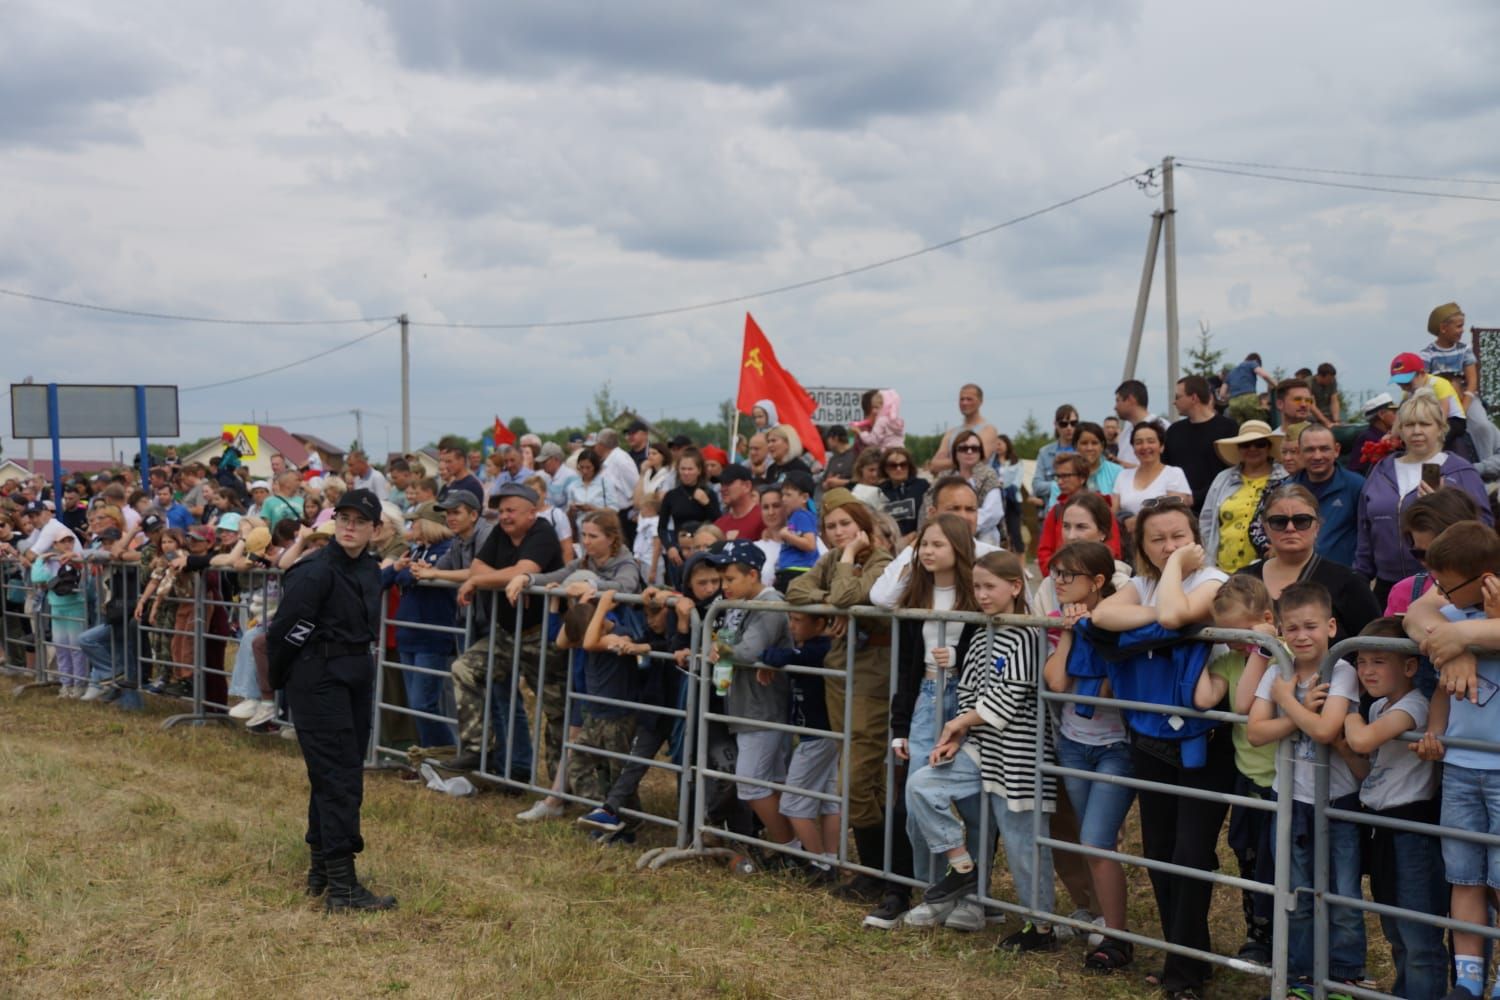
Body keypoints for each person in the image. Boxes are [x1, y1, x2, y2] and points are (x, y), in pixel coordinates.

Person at [1090, 497, 1229, 999]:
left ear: (1194, 535)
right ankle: (1187, 953)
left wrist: (1172, 570)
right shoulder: (1145, 583)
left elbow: (1175, 616)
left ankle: (1185, 974)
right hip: (1150, 734)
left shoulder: (1213, 578)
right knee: (1159, 852)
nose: (1169, 545)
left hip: (1203, 740)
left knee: (1191, 852)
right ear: (1140, 545)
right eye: (1157, 539)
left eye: (1177, 535)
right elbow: (1104, 614)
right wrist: (1158, 600)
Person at [904, 551, 1057, 950]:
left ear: (1015, 587)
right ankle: (962, 865)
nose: (983, 595)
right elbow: (970, 690)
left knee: (1024, 842)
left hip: (1020, 756)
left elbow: (1008, 697)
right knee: (922, 784)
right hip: (981, 747)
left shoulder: (1027, 632)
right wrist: (957, 735)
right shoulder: (982, 630)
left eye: (991, 586)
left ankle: (1040, 927)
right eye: (977, 587)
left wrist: (957, 724)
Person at [265, 488, 394, 912]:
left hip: (354, 677)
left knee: (337, 775)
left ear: (376, 529)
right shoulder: (314, 571)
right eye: (344, 519)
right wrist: (285, 680)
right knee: (339, 780)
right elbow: (283, 632)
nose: (350, 527)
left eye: (360, 521)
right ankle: (343, 886)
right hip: (319, 678)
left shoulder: (370, 569)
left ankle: (321, 869)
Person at [1245, 582, 1366, 993]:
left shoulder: (1341, 671)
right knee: (1295, 893)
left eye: (1311, 626)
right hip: (1290, 800)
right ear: (1280, 630)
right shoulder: (1278, 671)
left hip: (1337, 800)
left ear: (1331, 627)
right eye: (1291, 628)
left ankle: (1344, 973)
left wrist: (1288, 701)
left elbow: (1326, 728)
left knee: (1344, 893)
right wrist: (1297, 707)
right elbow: (1256, 732)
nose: (1301, 636)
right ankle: (1300, 976)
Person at [785, 491, 899, 914]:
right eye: (831, 527)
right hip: (840, 672)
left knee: (856, 778)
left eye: (845, 525)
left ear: (862, 524)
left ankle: (880, 871)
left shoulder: (882, 561)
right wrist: (832, 597)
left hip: (870, 675)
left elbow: (853, 598)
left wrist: (850, 556)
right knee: (859, 774)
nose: (838, 533)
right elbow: (795, 589)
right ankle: (880, 872)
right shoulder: (829, 560)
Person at [1407, 522, 1500, 1000]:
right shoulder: (1451, 613)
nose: (1438, 589)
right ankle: (1467, 977)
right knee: (1464, 875)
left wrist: (1470, 634)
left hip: (1499, 769)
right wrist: (1455, 636)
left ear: (1484, 577)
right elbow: (1413, 616)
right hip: (1463, 768)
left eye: (1446, 581)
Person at [1042, 540, 1135, 971]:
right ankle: (1103, 917)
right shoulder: (1069, 622)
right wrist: (1068, 632)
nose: (1059, 582)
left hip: (1116, 748)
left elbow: (1109, 688)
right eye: (1056, 573)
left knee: (1098, 840)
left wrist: (1094, 630)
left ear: (1097, 582)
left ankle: (1117, 938)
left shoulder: (1119, 619)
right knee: (1094, 839)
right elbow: (1058, 682)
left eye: (1068, 575)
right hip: (1074, 746)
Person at [1342, 617, 1446, 1000]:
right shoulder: (1381, 707)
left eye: (1378, 661)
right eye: (1361, 661)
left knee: (1419, 932)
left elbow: (1364, 739)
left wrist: (1348, 714)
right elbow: (1369, 767)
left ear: (1409, 666)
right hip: (1380, 824)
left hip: (1411, 828)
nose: (1367, 671)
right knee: (1395, 930)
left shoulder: (1414, 706)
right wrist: (1343, 748)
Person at [886, 514, 982, 928]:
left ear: (958, 549)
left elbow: (995, 647)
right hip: (925, 698)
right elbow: (906, 667)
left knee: (974, 804)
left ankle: (976, 898)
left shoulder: (979, 593)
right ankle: (936, 891)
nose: (927, 551)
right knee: (916, 798)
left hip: (967, 699)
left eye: (937, 544)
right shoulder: (914, 593)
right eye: (923, 544)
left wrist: (959, 660)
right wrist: (899, 728)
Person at [440, 484, 564, 776]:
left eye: (511, 510)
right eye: (502, 511)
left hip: (541, 635)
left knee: (556, 710)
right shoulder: (500, 532)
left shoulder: (542, 533)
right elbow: (477, 567)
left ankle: (564, 785)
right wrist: (480, 578)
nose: (505, 517)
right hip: (506, 634)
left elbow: (522, 570)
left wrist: (480, 580)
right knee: (464, 669)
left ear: (532, 513)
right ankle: (476, 749)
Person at [1200, 575, 1281, 965]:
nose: (1230, 642)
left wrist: (1263, 648)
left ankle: (1287, 938)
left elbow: (1246, 704)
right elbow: (1202, 697)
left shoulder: (1282, 656)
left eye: (1237, 633)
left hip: (1282, 782)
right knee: (1247, 857)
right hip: (1246, 777)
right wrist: (1199, 649)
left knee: (1278, 862)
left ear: (1266, 619)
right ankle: (1258, 934)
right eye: (1223, 634)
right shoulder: (1231, 659)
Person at [1355, 389, 1491, 605]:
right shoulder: (1381, 470)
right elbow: (1364, 529)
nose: (1416, 431)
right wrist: (1359, 579)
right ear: (1399, 430)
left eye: (1425, 424)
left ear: (1440, 429)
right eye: (1409, 425)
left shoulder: (1461, 472)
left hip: (1443, 586)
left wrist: (1446, 508)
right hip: (1386, 586)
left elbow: (1483, 531)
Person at [706, 540, 795, 856]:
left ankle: (791, 848)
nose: (724, 586)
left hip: (762, 709)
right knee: (771, 780)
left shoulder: (769, 604)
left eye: (730, 579)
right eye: (722, 580)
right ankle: (793, 848)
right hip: (747, 704)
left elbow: (748, 650)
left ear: (753, 574)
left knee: (751, 783)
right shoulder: (744, 602)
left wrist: (720, 650)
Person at [1238, 484, 1380, 643]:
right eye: (1279, 522)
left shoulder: (1348, 582)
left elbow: (1374, 641)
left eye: (1301, 521)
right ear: (1266, 528)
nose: (1290, 528)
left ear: (1317, 526)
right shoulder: (1243, 580)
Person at [759, 610, 840, 881]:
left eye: (797, 620)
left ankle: (818, 864)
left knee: (793, 802)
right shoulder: (811, 647)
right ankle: (830, 859)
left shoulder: (820, 650)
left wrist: (768, 660)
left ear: (820, 623)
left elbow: (779, 656)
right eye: (790, 619)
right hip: (823, 734)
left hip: (817, 736)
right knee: (830, 798)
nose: (791, 626)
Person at [379, 505, 457, 750]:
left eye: (416, 523)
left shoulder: (448, 549)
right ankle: (431, 754)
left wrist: (410, 574)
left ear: (429, 525)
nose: (411, 528)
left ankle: (443, 752)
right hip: (409, 634)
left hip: (432, 635)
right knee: (417, 703)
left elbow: (419, 577)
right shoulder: (416, 551)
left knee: (423, 703)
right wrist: (401, 571)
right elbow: (385, 579)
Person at [1200, 420, 1288, 572]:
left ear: (1269, 447)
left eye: (1259, 444)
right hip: (1222, 570)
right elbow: (1206, 522)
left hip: (1269, 569)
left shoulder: (1286, 479)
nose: (1252, 449)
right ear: (1238, 448)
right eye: (1245, 445)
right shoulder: (1223, 479)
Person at [1384, 487, 1482, 620]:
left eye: (1438, 555)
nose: (1428, 562)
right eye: (1419, 553)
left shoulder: (1491, 590)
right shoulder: (1404, 591)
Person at [1035, 491, 1128, 612]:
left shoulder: (1123, 585)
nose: (1071, 536)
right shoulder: (1049, 585)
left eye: (1081, 527)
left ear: (1103, 533)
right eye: (1066, 526)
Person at [1035, 457, 1123, 577]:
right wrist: (1058, 575)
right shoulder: (1056, 510)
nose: (1060, 481)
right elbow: (1044, 551)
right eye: (1058, 477)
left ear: (1082, 478)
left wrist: (1090, 576)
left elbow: (1113, 549)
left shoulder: (1100, 507)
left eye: (1066, 476)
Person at [1290, 424, 1364, 566]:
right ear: (1299, 452)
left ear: (1336, 450)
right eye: (1310, 450)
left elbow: (1367, 536)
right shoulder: (1288, 490)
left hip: (1343, 577)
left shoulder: (1356, 486)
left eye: (1324, 449)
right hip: (1297, 575)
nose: (1317, 456)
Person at [922, 429, 1003, 545]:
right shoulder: (943, 477)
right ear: (955, 452)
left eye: (974, 448)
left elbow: (993, 513)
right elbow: (928, 505)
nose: (969, 452)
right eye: (964, 448)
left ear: (980, 452)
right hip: (944, 531)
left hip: (982, 535)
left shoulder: (989, 475)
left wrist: (963, 527)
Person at [1112, 422, 1190, 537]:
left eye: (1151, 441)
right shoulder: (1123, 475)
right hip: (1128, 543)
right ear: (1133, 448)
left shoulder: (1174, 473)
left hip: (1163, 540)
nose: (1145, 447)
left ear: (1161, 446)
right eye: (1138, 442)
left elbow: (1175, 508)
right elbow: (1113, 511)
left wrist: (1138, 520)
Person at [658, 449, 720, 580]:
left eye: (690, 469)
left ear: (699, 470)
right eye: (683, 469)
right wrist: (669, 547)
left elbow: (718, 522)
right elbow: (661, 527)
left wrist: (707, 503)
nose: (686, 473)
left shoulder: (708, 493)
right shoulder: (671, 495)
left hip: (703, 551)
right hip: (679, 552)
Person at [930, 383, 999, 474]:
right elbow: (934, 465)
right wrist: (964, 460)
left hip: (977, 485)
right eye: (962, 399)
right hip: (952, 485)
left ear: (980, 401)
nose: (964, 403)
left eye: (969, 399)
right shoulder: (951, 433)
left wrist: (948, 462)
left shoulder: (988, 430)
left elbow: (979, 461)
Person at [1420, 301, 1477, 401]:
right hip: (1438, 398)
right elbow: (1423, 381)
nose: (1462, 330)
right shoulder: (1428, 354)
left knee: (1479, 417)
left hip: (1465, 397)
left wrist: (1463, 409)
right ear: (1443, 328)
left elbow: (1472, 381)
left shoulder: (1464, 350)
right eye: (1459, 326)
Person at [1112, 379, 1169, 468]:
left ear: (1130, 400)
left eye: (1118, 400)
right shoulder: (1125, 433)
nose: (1115, 407)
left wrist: (1122, 466)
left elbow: (1166, 468)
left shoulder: (1163, 427)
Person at [1031, 404, 1079, 509]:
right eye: (1063, 424)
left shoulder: (1083, 451)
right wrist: (1064, 485)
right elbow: (1036, 485)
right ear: (1056, 425)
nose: (1069, 428)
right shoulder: (1044, 452)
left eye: (1073, 423)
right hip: (1052, 511)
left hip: (1079, 508)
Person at [877, 446, 925, 544]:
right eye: (893, 465)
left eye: (903, 465)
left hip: (917, 541)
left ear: (909, 466)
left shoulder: (922, 486)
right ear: (885, 468)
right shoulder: (879, 490)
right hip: (890, 544)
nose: (898, 469)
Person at [1348, 393, 1398, 476]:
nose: (1397, 415)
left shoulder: (1389, 435)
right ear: (1381, 414)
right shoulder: (1368, 438)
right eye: (1394, 412)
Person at [991, 434, 1025, 555]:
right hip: (996, 501)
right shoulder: (991, 463)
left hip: (1012, 500)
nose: (998, 446)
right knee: (1000, 534)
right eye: (996, 444)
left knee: (1015, 533)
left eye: (1000, 443)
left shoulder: (1016, 462)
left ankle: (1022, 567)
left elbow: (1017, 482)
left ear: (1007, 444)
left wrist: (1003, 486)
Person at [712, 465, 764, 541]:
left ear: (747, 486)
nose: (722, 489)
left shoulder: (764, 518)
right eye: (722, 484)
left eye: (728, 483)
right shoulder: (719, 525)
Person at [1224, 353, 1276, 424]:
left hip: (1233, 403)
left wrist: (1234, 397)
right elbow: (1264, 375)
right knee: (1258, 424)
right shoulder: (1252, 363)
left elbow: (1222, 393)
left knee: (1241, 429)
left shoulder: (1231, 372)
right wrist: (1276, 385)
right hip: (1249, 398)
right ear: (1256, 362)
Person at [819, 426, 856, 491]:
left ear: (835, 438)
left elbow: (861, 482)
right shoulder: (832, 459)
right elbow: (823, 482)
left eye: (828, 439)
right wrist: (827, 483)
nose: (826, 442)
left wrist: (840, 482)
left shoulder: (856, 456)